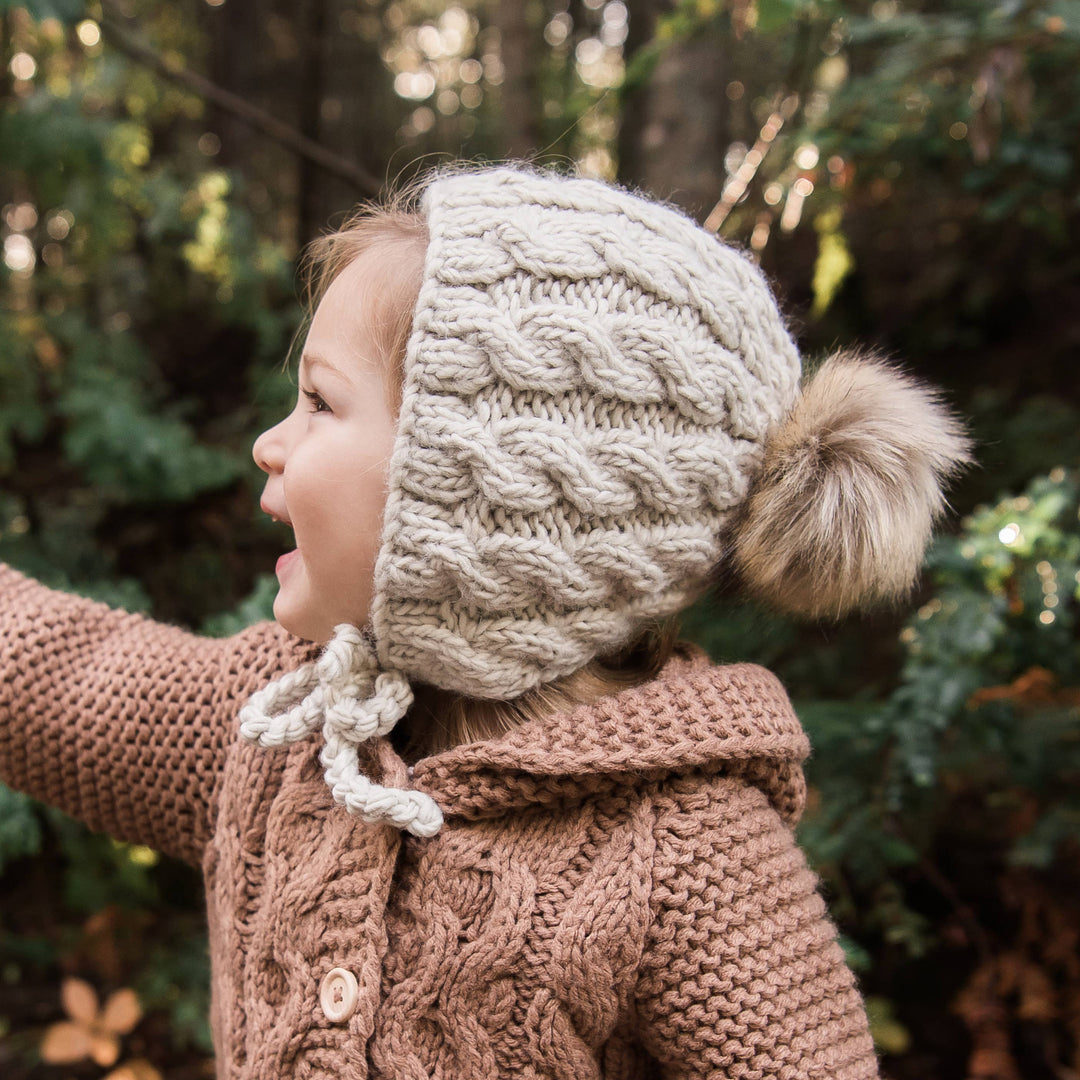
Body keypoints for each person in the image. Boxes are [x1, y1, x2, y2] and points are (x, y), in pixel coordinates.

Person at [0, 163, 970, 1079]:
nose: (270, 442)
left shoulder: (690, 855)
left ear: (478, 498)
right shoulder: (282, 727)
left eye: (318, 402)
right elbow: (53, 675)